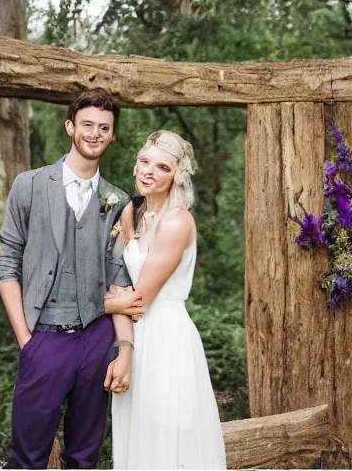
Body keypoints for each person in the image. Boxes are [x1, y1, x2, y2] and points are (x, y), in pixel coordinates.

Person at [0, 89, 138, 468]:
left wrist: (124, 348)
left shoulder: (118, 201)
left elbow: (120, 279)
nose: (95, 133)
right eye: (87, 124)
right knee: (26, 458)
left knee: (83, 457)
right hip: (42, 336)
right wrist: (26, 339)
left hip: (96, 340)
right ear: (70, 127)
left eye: (104, 127)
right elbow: (7, 264)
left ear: (113, 135)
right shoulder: (29, 185)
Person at [106, 130, 227, 469]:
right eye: (144, 162)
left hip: (165, 338)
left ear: (177, 174)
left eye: (162, 167)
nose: (149, 171)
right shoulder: (141, 215)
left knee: (164, 438)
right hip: (136, 337)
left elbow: (138, 299)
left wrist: (92, 305)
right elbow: (120, 280)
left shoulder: (176, 221)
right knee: (139, 437)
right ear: (134, 166)